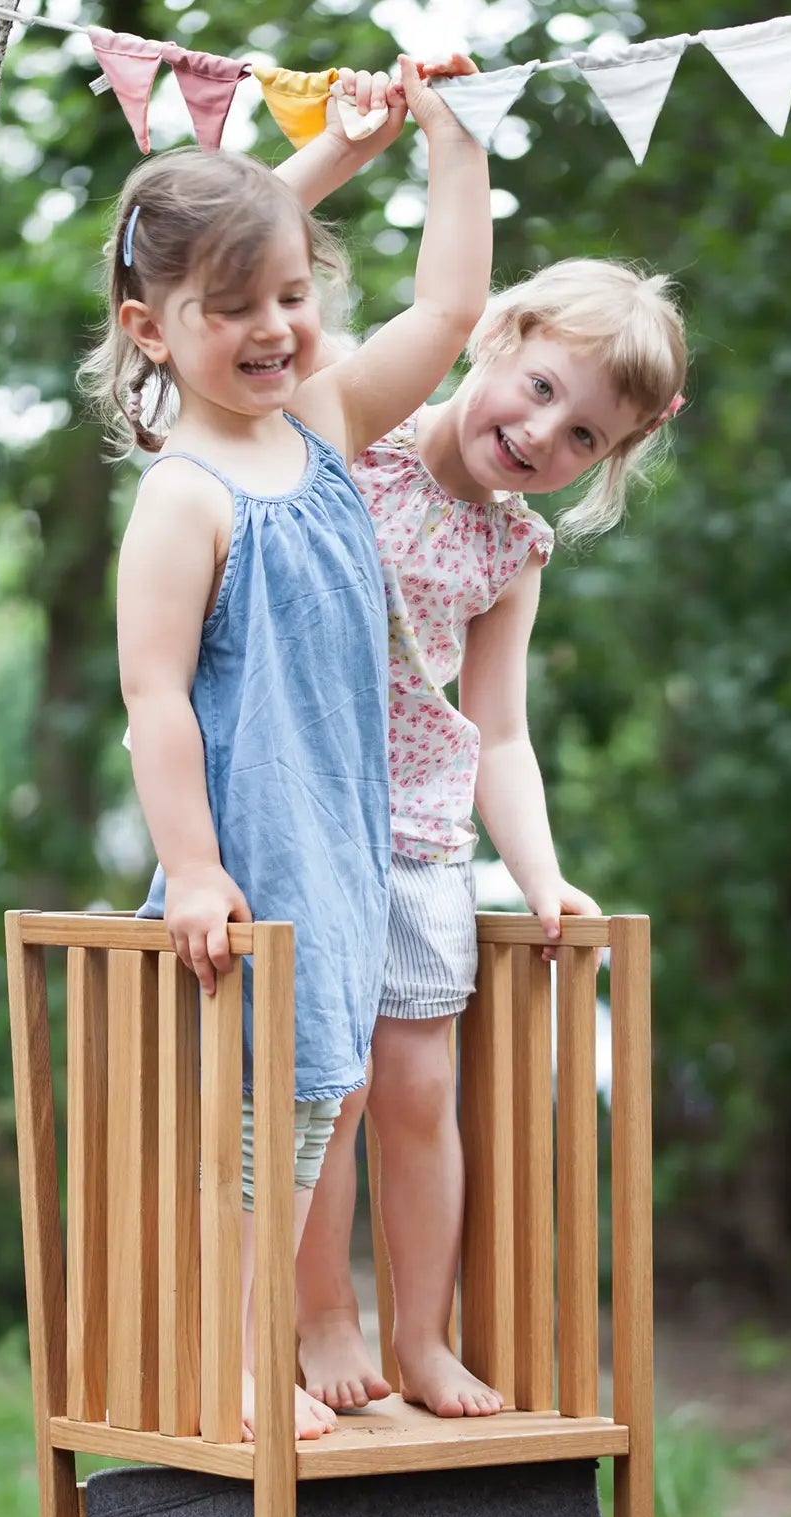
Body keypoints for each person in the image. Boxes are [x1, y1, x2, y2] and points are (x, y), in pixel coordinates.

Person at [89, 58, 491, 1441]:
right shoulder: (184, 499)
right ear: (152, 330)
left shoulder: (319, 430)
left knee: (332, 1092)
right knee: (254, 1127)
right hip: (251, 855)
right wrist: (191, 868)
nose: (276, 329)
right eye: (235, 309)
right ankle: (236, 1354)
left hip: (348, 838)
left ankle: (275, 1336)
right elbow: (152, 699)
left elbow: (447, 310)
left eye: (295, 298)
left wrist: (442, 141)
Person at [280, 98, 688, 1418]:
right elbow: (264, 266)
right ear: (501, 336)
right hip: (307, 820)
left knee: (417, 1091)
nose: (544, 438)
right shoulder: (359, 438)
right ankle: (318, 1318)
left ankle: (420, 1335)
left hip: (419, 840)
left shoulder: (517, 549)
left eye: (586, 439)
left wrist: (545, 875)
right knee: (323, 1093)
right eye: (543, 390)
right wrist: (375, 138)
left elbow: (498, 731)